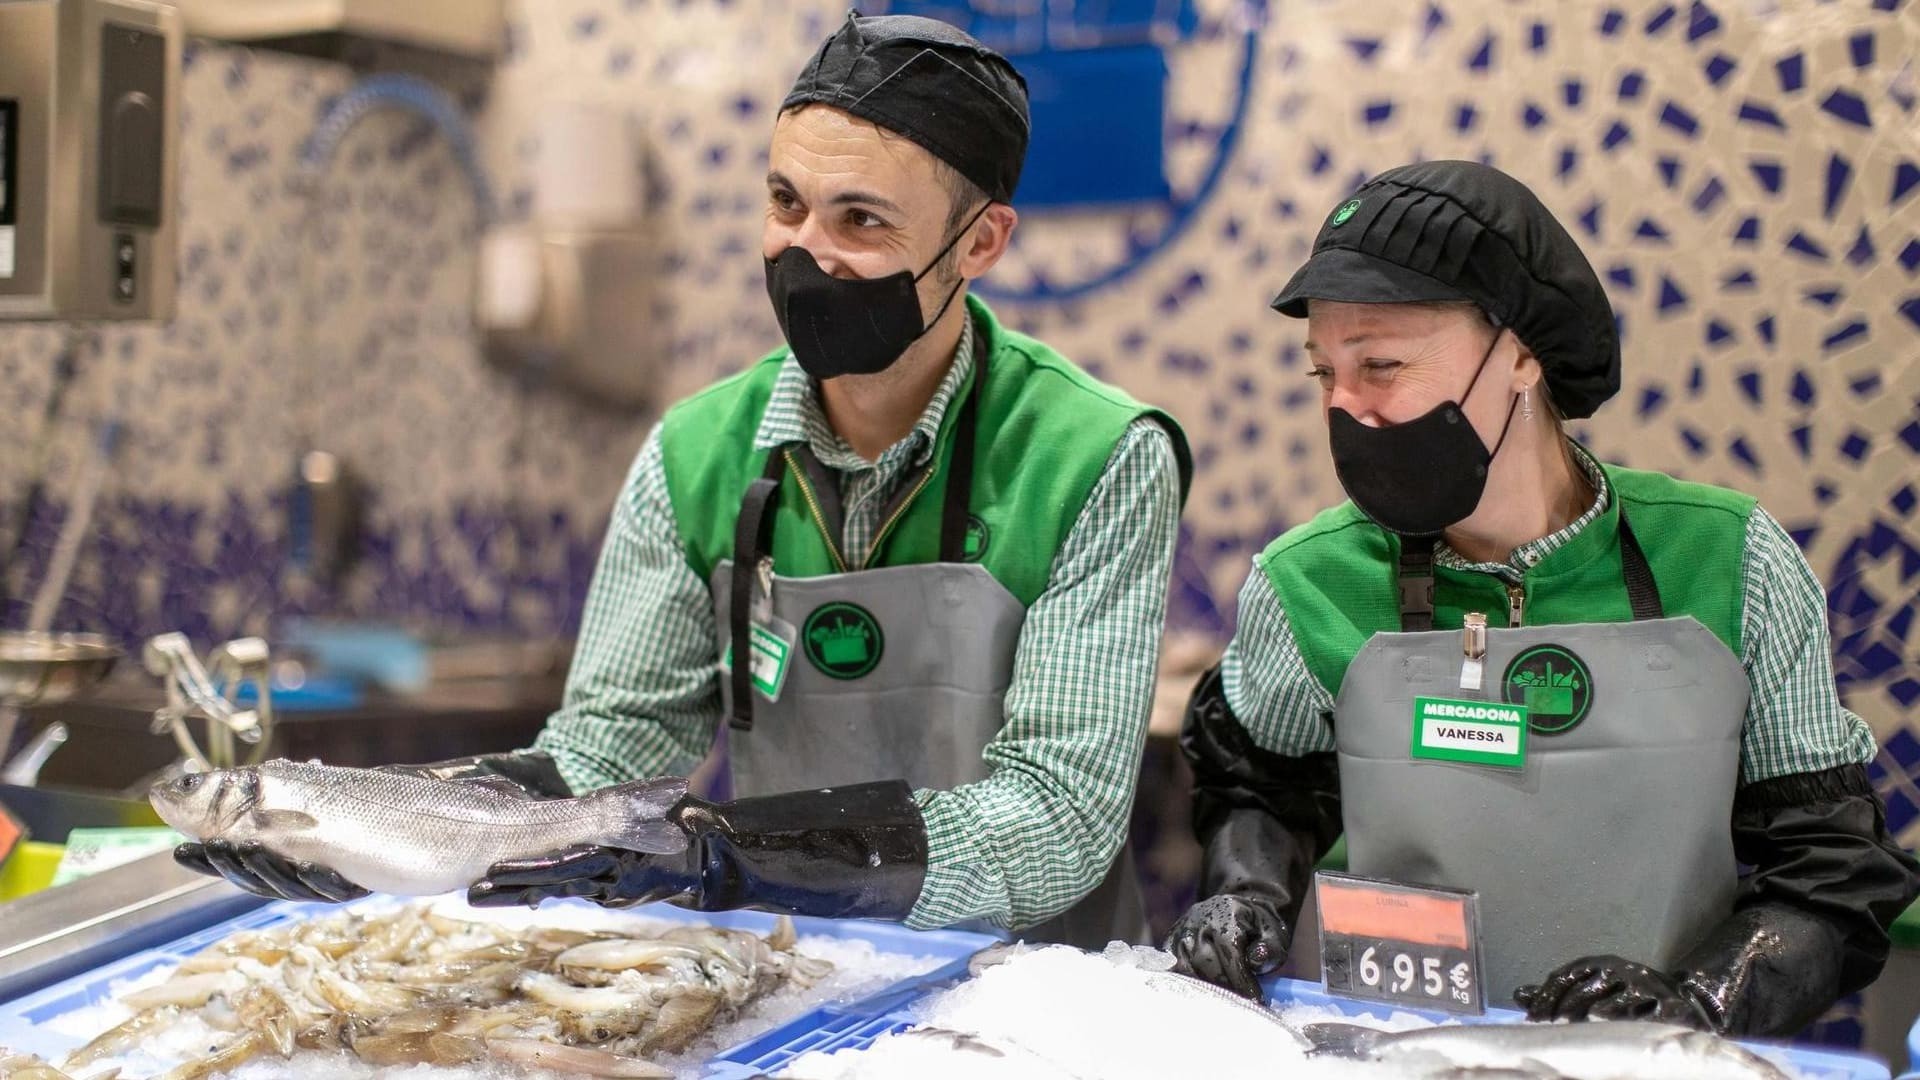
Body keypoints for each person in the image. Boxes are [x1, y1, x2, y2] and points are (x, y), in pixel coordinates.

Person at [175, 12, 1191, 948]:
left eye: (862, 221)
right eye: (786, 203)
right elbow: (611, 750)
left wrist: (733, 853)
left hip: (1040, 999)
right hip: (811, 978)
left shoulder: (1097, 456)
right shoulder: (696, 452)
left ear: (981, 242)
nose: (808, 252)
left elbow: (1056, 817)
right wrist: (369, 826)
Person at [1164, 159, 1920, 1036]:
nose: (1346, 408)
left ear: (1520, 354)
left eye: (1382, 364)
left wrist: (1699, 999)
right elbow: (1262, 795)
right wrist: (1244, 897)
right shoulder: (1307, 581)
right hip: (1388, 1047)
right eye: (1324, 374)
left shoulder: (1731, 560)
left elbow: (1828, 869)